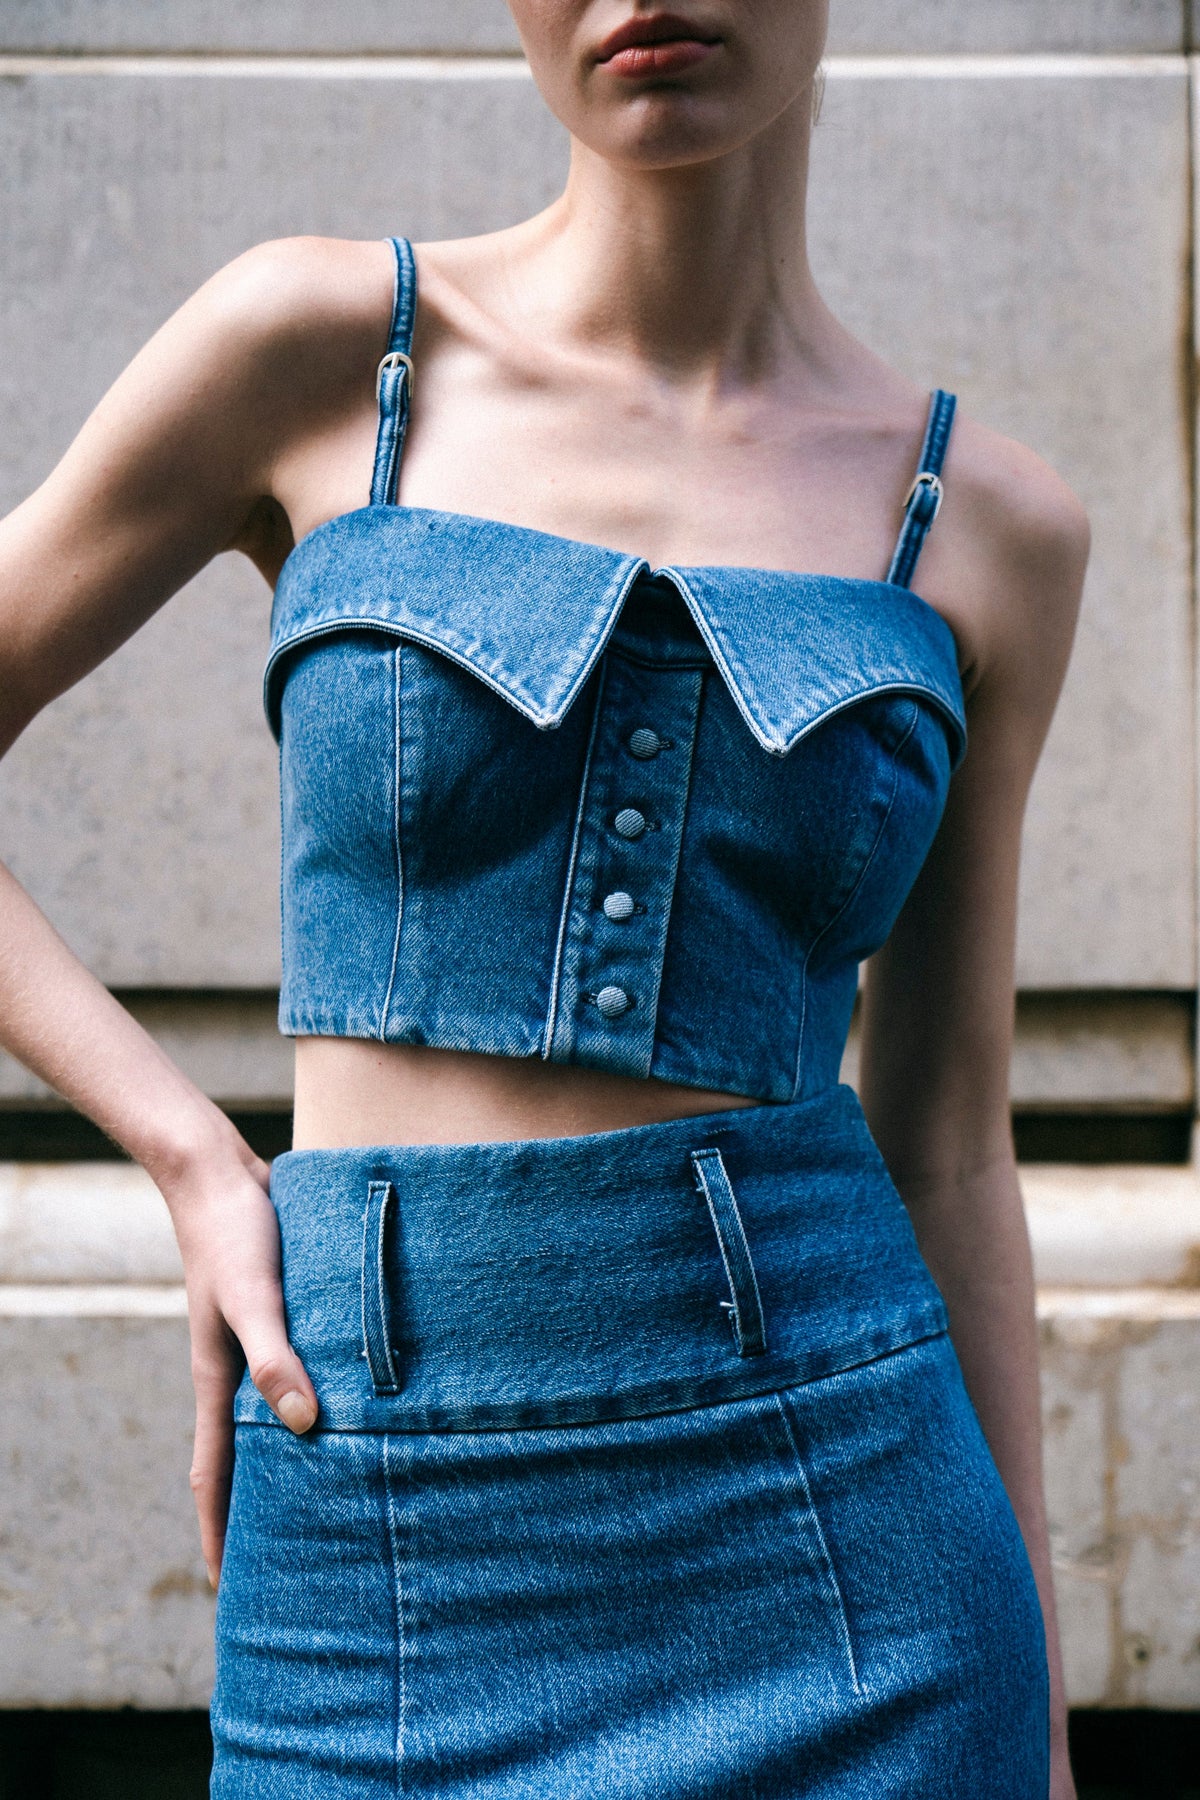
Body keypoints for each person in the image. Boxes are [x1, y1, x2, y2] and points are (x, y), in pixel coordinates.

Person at [0, 3, 1089, 1795]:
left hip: (853, 1558)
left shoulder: (992, 524)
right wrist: (195, 1158)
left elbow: (952, 1143)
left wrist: (1040, 1713)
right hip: (378, 1540)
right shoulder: (316, 346)